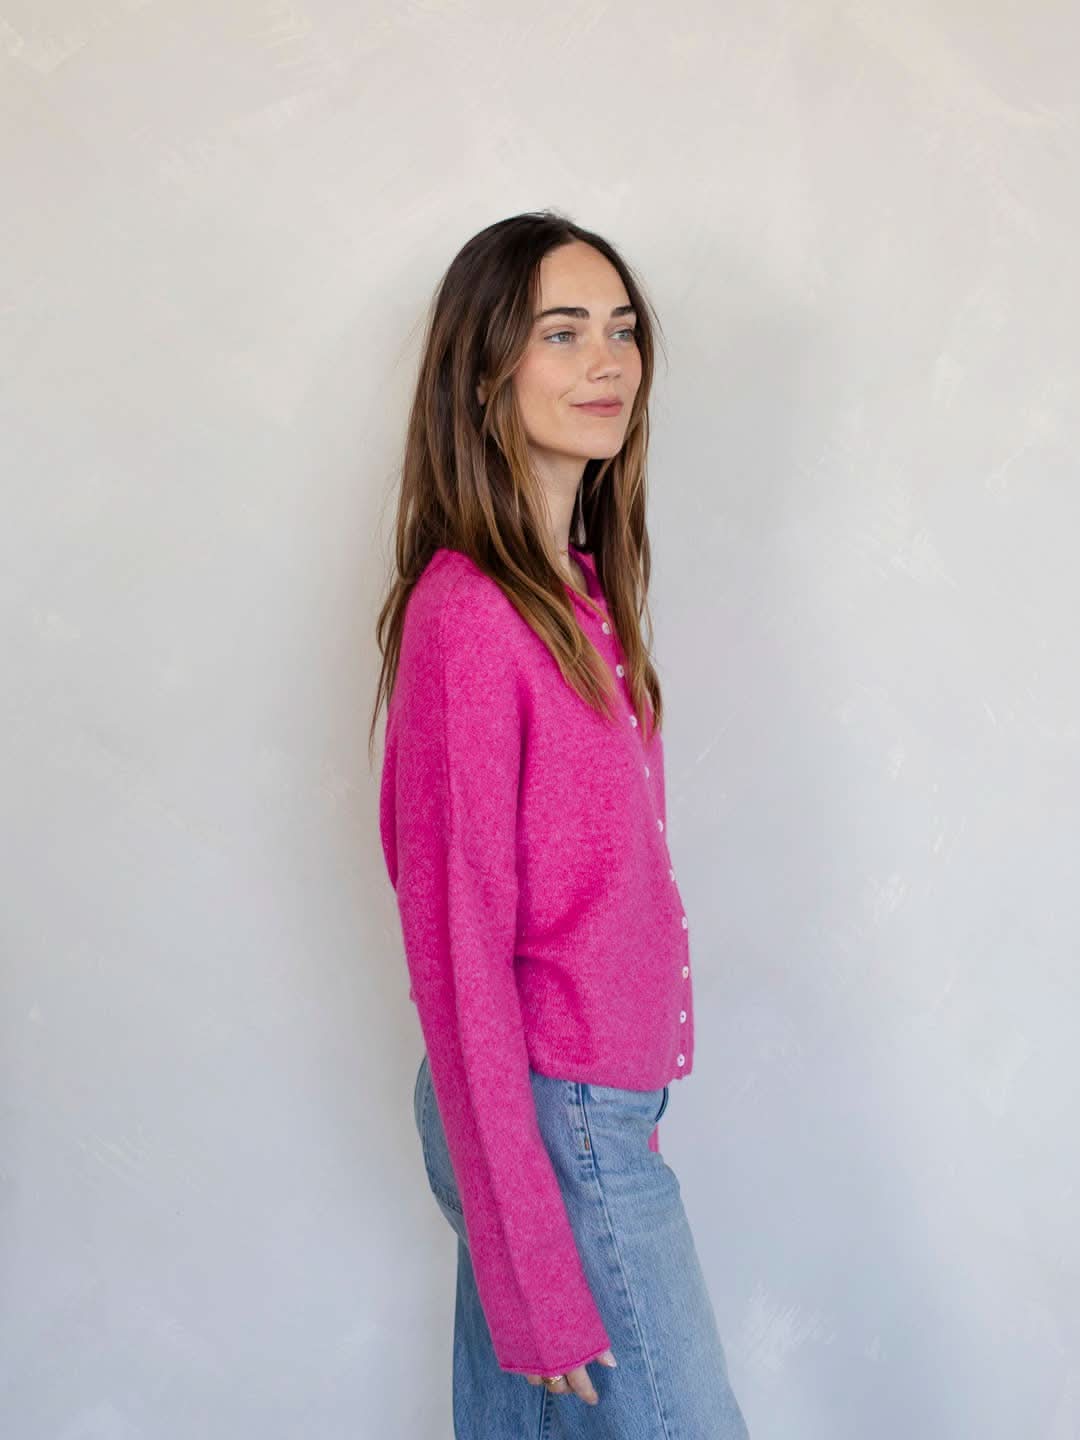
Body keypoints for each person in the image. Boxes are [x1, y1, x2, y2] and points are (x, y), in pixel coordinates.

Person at [370, 210, 750, 1438]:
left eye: (623, 331)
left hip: (591, 1105)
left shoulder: (577, 590)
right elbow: (457, 949)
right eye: (564, 332)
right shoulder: (469, 615)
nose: (609, 363)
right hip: (551, 1115)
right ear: (485, 371)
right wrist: (530, 1260)